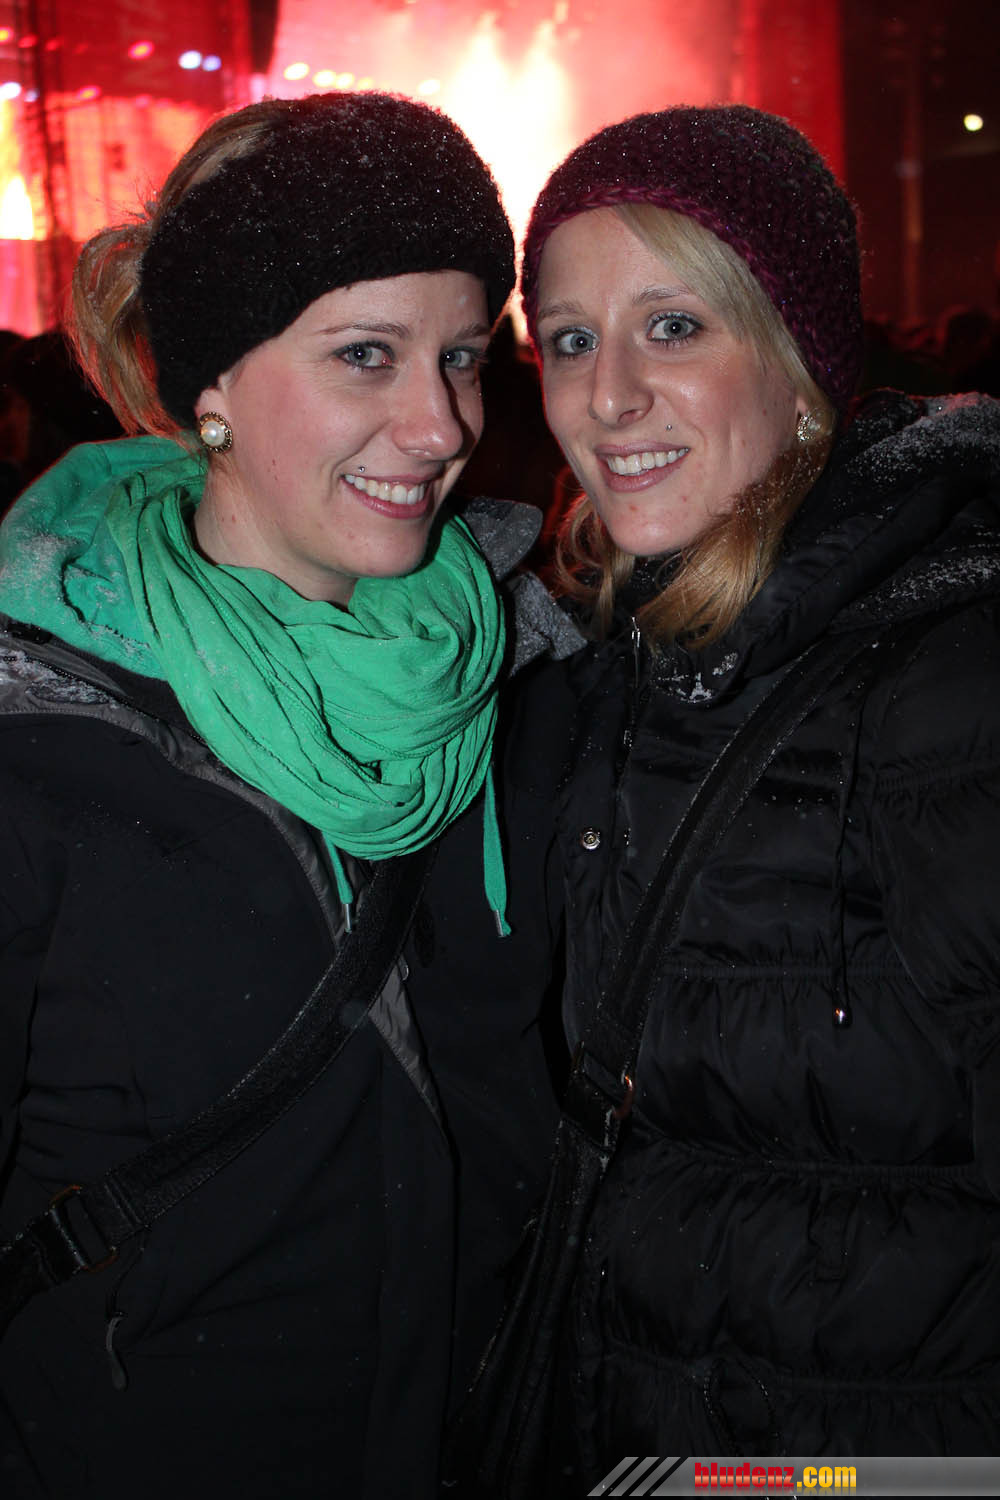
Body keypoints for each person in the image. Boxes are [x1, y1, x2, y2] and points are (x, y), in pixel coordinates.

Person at [0, 91, 569, 1498]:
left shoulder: (522, 683)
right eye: (365, 355)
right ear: (212, 384)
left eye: (459, 356)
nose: (438, 424)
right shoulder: (41, 741)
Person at [507, 103, 1000, 1474]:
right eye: (569, 340)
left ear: (799, 368)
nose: (607, 397)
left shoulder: (948, 679)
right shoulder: (610, 662)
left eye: (673, 327)